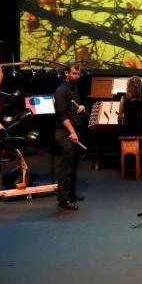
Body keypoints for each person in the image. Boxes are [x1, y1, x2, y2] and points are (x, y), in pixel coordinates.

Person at [53, 63, 85, 210]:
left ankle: (71, 194)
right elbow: (62, 114)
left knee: (73, 164)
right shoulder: (61, 91)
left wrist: (82, 107)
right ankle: (63, 199)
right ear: (66, 73)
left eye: (78, 74)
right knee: (66, 167)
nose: (77, 76)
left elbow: (74, 107)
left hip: (74, 131)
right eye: (74, 73)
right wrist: (72, 132)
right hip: (64, 133)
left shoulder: (75, 88)